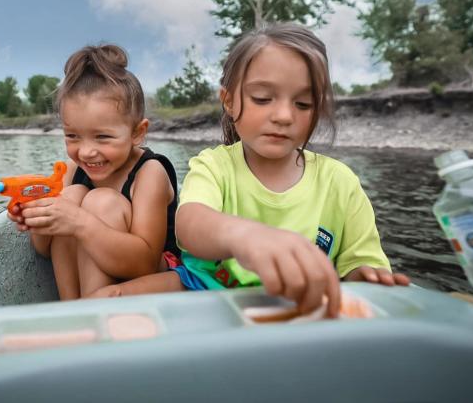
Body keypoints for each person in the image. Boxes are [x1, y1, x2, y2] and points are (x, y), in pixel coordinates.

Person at [91, 23, 410, 317]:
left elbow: (359, 262)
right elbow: (189, 225)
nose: (284, 115)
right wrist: (242, 236)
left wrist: (368, 277)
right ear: (229, 102)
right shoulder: (214, 165)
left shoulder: (340, 181)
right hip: (202, 288)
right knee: (108, 299)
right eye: (262, 98)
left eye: (303, 104)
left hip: (299, 305)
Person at [9, 44, 180, 299]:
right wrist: (38, 219)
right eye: (72, 136)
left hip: (151, 275)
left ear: (137, 133)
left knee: (101, 202)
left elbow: (144, 263)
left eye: (102, 137)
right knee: (73, 195)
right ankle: (74, 311)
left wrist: (79, 223)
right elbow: (44, 249)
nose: (87, 151)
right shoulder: (71, 170)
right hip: (91, 286)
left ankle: (93, 318)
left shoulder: (150, 173)